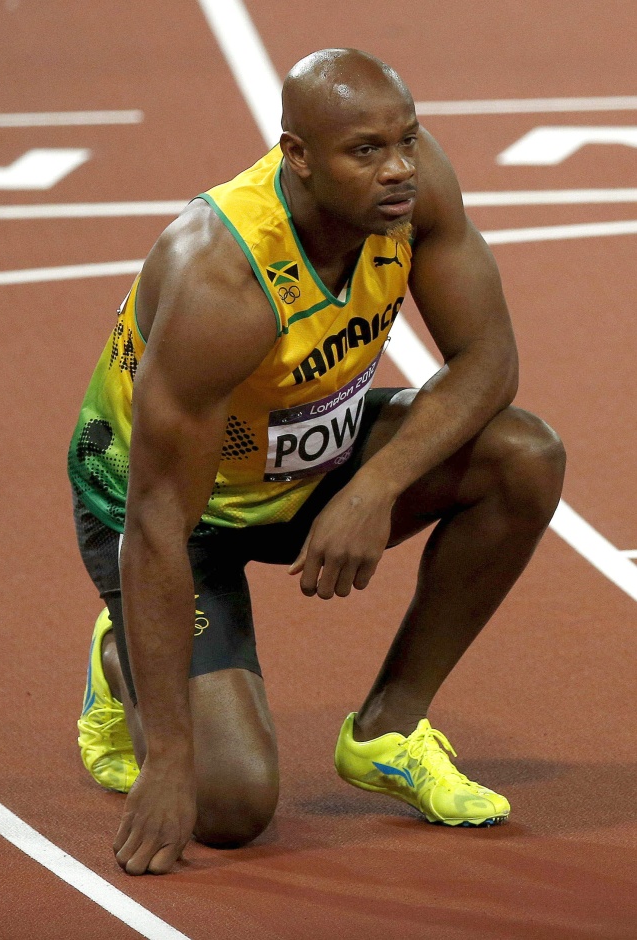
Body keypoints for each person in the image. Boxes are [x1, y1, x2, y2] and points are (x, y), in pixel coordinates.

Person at [68, 48, 565, 876]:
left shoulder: (412, 190)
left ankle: (388, 732)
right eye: (365, 150)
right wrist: (170, 760)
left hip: (309, 456)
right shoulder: (221, 280)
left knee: (524, 456)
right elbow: (155, 525)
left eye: (407, 139)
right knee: (230, 808)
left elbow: (489, 361)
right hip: (177, 510)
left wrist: (373, 488)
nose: (399, 168)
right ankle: (123, 658)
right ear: (297, 155)